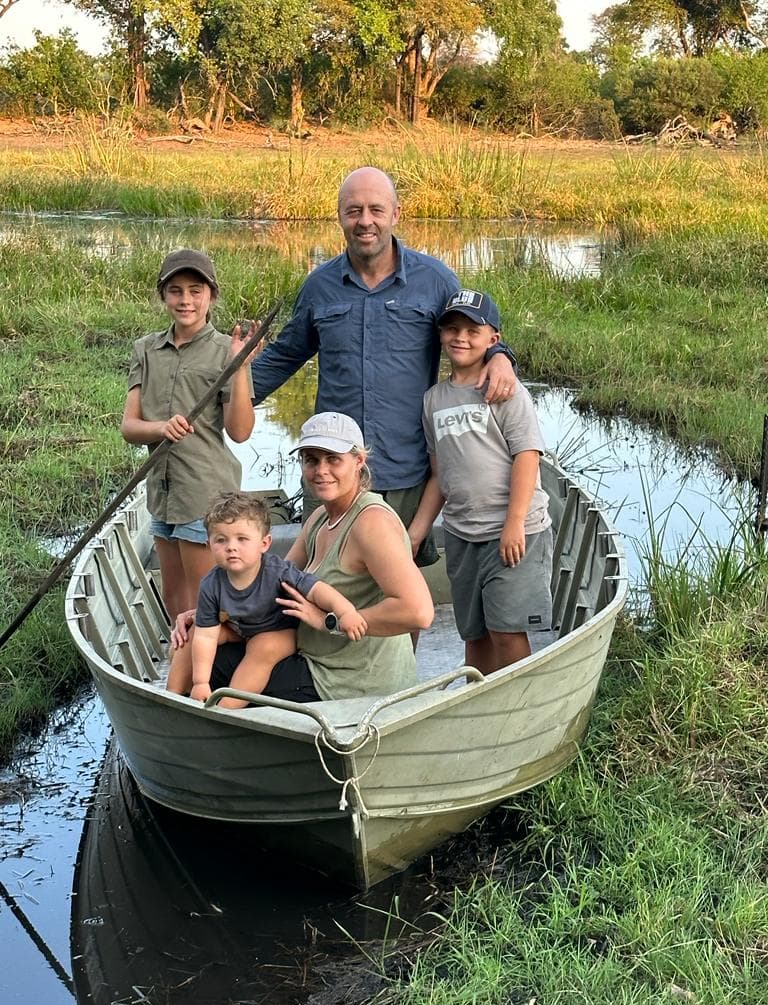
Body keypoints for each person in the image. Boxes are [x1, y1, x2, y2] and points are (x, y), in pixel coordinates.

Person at [249, 166, 517, 563]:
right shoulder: (319, 286)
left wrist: (500, 356)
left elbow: (471, 332)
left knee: (401, 590)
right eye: (353, 211)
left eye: (376, 209)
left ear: (396, 213)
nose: (365, 221)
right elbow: (286, 355)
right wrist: (225, 397)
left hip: (406, 468)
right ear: (340, 216)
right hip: (334, 469)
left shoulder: (435, 280)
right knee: (325, 578)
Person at [171, 412, 434, 703]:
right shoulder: (323, 516)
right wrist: (214, 610)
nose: (321, 470)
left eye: (333, 459)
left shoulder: (371, 523)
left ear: (359, 461)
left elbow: (418, 612)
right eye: (311, 459)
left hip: (347, 681)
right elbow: (273, 579)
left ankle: (203, 727)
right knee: (196, 639)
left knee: (210, 665)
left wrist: (329, 621)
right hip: (315, 657)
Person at [408, 289, 553, 673]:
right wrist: (417, 532)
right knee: (474, 634)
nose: (461, 338)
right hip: (461, 534)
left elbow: (527, 456)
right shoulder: (433, 400)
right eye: (452, 328)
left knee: (506, 631)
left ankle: (519, 703)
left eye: (472, 331)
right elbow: (440, 475)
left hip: (514, 531)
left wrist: (514, 523)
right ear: (440, 335)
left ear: (493, 339)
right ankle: (479, 702)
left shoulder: (505, 390)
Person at [120, 249, 259, 621]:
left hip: (204, 492)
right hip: (162, 492)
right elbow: (129, 426)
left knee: (202, 603)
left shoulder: (224, 352)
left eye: (196, 291)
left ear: (211, 296)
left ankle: (202, 675)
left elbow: (241, 431)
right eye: (176, 291)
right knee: (173, 596)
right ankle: (182, 663)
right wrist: (160, 428)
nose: (186, 300)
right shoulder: (145, 350)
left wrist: (240, 367)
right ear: (163, 295)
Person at [166, 491, 367, 709]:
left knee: (264, 647)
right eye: (221, 540)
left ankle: (227, 707)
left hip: (279, 632)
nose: (231, 547)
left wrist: (346, 611)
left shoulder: (278, 572)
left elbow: (317, 590)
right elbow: (206, 637)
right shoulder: (211, 584)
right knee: (193, 634)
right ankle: (171, 699)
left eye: (242, 539)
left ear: (264, 543)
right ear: (209, 544)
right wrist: (201, 681)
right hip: (241, 631)